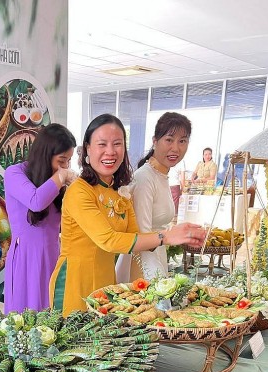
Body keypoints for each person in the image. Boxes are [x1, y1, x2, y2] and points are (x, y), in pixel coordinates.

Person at [49, 114, 205, 316]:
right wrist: (167, 236)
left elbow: (135, 236)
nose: (110, 152)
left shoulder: (118, 190)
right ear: (88, 148)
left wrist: (181, 236)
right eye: (102, 144)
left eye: (117, 144)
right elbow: (109, 240)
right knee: (76, 344)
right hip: (74, 282)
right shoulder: (80, 191)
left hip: (106, 283)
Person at [3, 123, 76, 312]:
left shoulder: (56, 180)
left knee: (52, 315)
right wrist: (61, 177)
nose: (66, 166)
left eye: (69, 161)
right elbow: (36, 201)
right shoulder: (14, 173)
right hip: (25, 257)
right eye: (62, 160)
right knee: (23, 321)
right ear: (45, 154)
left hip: (53, 254)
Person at [116, 112, 192, 282]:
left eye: (182, 141)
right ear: (155, 141)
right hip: (142, 262)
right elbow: (142, 234)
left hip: (156, 254)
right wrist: (157, 281)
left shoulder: (161, 174)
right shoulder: (145, 177)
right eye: (169, 140)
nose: (176, 148)